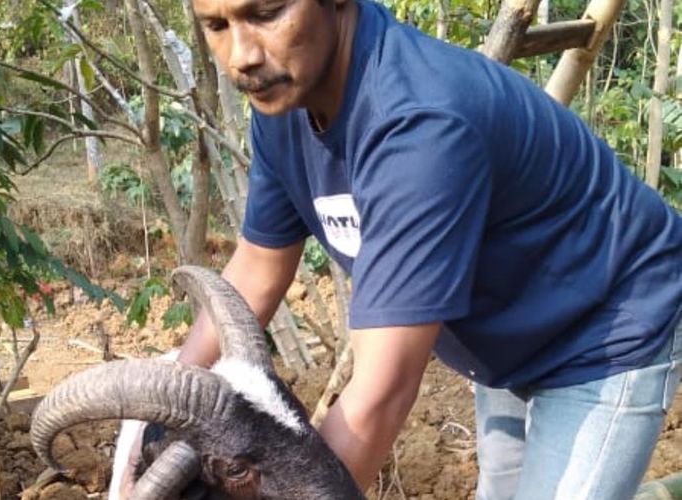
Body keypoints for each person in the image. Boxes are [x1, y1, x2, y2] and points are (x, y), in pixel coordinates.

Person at [111, 0, 682, 498]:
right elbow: (258, 269)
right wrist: (160, 419)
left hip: (606, 326)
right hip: (507, 331)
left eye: (265, 14)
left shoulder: (418, 125)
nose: (241, 55)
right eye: (215, 24)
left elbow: (380, 392)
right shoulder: (286, 102)